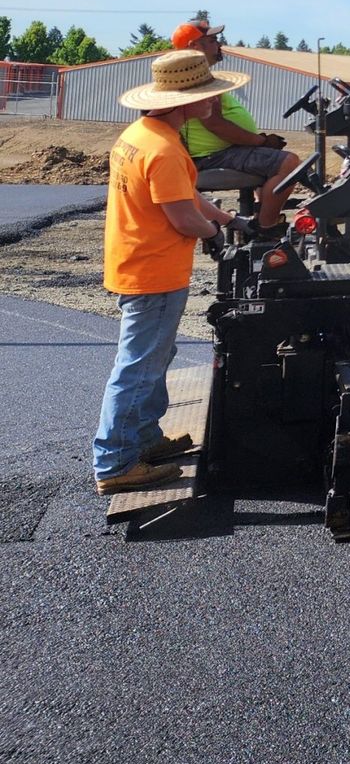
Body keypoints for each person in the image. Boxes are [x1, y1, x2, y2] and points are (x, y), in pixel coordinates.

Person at [94, 49, 252, 494]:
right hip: (155, 272)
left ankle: (142, 439)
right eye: (207, 95)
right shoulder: (164, 150)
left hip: (136, 261)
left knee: (155, 358)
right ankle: (115, 462)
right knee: (139, 365)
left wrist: (226, 220)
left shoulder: (142, 135)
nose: (212, 102)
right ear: (184, 102)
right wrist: (213, 234)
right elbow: (184, 219)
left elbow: (185, 199)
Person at [171, 21, 303, 229]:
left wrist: (260, 142)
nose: (219, 44)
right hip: (212, 156)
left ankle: (261, 212)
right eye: (212, 40)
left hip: (219, 151)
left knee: (272, 160)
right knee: (289, 163)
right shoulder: (198, 80)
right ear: (195, 47)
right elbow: (216, 125)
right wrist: (261, 141)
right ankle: (266, 228)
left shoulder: (190, 76)